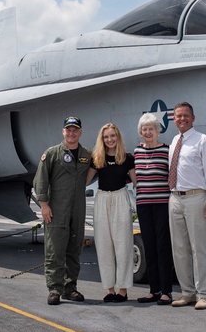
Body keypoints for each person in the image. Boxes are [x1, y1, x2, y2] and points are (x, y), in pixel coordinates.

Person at [33, 116, 92, 305]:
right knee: (55, 250)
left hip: (77, 209)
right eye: (69, 129)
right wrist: (44, 204)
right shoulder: (52, 154)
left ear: (80, 132)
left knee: (74, 250)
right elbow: (40, 180)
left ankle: (70, 288)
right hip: (57, 209)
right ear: (63, 132)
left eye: (75, 130)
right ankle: (54, 289)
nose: (72, 133)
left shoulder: (87, 155)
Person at [167, 102, 206, 310]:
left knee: (199, 249)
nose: (182, 119)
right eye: (178, 116)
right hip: (175, 198)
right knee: (179, 249)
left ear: (193, 118)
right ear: (174, 119)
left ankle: (204, 294)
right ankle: (187, 293)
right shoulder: (174, 141)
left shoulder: (202, 141)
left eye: (185, 116)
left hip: (196, 198)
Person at [86, 123, 137, 302]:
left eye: (112, 136)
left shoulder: (128, 158)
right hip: (102, 199)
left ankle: (123, 289)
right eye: (106, 137)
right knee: (103, 244)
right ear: (102, 139)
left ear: (118, 137)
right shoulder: (97, 158)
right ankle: (109, 289)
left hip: (120, 197)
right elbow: (85, 181)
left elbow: (137, 182)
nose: (109, 139)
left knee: (123, 244)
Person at [132, 113, 175, 304]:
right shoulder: (137, 152)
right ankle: (153, 290)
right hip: (143, 205)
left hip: (162, 204)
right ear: (140, 132)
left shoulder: (167, 150)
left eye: (151, 129)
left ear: (158, 131)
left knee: (163, 246)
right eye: (144, 129)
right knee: (149, 246)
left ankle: (166, 291)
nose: (148, 132)